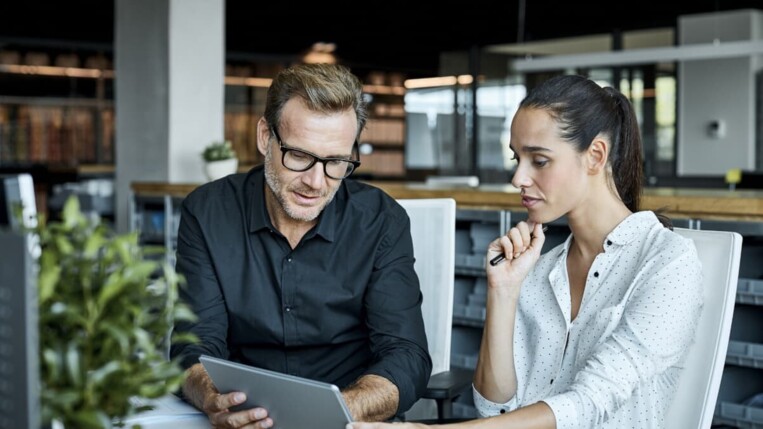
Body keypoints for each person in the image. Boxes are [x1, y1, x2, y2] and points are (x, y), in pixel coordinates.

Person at [350, 74, 703, 429]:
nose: (518, 178)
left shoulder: (668, 263)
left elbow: (589, 403)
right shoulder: (537, 268)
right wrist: (502, 292)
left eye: (539, 160)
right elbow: (494, 409)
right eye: (517, 158)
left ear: (595, 156)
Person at [170, 63, 432, 428]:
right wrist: (214, 398)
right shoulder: (208, 213)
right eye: (299, 156)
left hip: (348, 419)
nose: (315, 181)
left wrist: (342, 410)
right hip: (245, 419)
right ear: (265, 136)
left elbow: (406, 355)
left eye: (336, 162)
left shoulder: (381, 221)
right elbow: (193, 346)